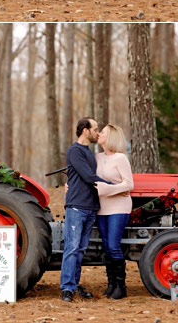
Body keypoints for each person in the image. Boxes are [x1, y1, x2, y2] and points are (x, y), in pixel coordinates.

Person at [60, 117, 113, 302]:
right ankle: (66, 288)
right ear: (85, 130)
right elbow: (89, 177)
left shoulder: (89, 153)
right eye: (95, 129)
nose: (97, 132)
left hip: (91, 207)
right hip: (77, 207)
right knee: (72, 248)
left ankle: (73, 286)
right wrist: (115, 185)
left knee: (81, 249)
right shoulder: (75, 151)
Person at [94, 124, 134, 300]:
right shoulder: (96, 157)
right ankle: (111, 284)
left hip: (119, 207)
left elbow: (129, 185)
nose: (99, 134)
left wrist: (106, 189)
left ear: (111, 137)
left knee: (113, 245)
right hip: (102, 208)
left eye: (102, 132)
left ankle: (121, 286)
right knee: (106, 246)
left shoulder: (121, 158)